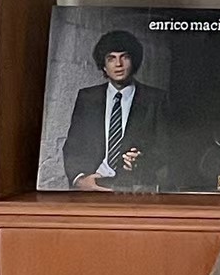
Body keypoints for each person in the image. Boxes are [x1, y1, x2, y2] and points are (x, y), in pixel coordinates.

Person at [62, 29, 169, 191]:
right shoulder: (87, 97)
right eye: (111, 58)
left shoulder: (156, 99)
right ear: (104, 66)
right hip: (93, 186)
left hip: (133, 188)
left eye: (124, 57)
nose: (118, 64)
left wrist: (143, 161)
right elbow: (73, 145)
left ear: (134, 61)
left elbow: (166, 149)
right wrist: (79, 180)